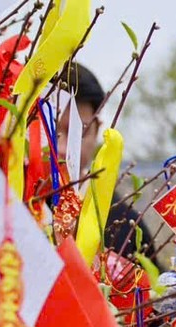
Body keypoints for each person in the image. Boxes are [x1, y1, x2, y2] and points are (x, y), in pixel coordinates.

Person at [53, 62, 156, 260]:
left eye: (78, 132)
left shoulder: (125, 225)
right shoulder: (7, 204)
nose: (63, 148)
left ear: (97, 129)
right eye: (52, 129)